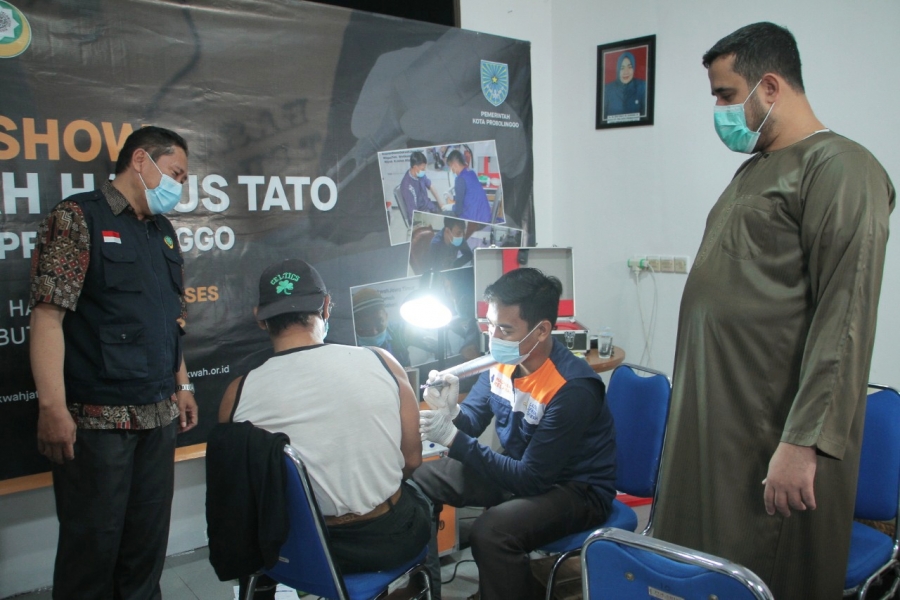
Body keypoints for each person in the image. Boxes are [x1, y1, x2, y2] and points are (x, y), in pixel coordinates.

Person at [651, 22, 894, 600]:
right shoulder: (756, 169)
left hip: (775, 434)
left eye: (726, 95)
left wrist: (804, 442)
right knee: (707, 574)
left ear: (770, 86)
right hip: (717, 423)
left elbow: (847, 314)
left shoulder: (841, 167)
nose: (718, 110)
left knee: (768, 573)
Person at [29, 125, 199, 599]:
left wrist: (183, 384)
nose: (180, 187)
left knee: (146, 551)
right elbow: (47, 318)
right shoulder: (78, 217)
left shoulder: (163, 233)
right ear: (141, 161)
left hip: (158, 417)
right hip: (97, 423)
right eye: (176, 173)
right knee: (92, 553)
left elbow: (169, 320)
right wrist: (52, 408)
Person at [218, 259, 431, 583]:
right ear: (327, 307)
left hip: (293, 550)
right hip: (383, 540)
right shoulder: (381, 361)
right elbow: (412, 460)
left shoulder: (237, 393)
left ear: (260, 320)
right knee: (425, 501)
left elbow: (243, 494)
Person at [414, 268, 617, 600]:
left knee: (492, 532)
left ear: (541, 331)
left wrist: (451, 436)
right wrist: (450, 413)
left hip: (576, 489)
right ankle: (428, 590)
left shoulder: (572, 388)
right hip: (523, 470)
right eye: (490, 325)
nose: (493, 338)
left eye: (505, 329)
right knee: (418, 474)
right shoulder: (503, 361)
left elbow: (531, 480)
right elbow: (472, 422)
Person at [446, 150, 492, 224]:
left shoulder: (460, 179)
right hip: (486, 216)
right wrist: (454, 200)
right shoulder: (471, 173)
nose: (452, 171)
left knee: (446, 214)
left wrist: (450, 207)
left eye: (451, 167)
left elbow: (458, 210)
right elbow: (469, 194)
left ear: (454, 165)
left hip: (474, 219)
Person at [400, 150, 443, 217]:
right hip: (421, 213)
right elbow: (413, 212)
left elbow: (430, 185)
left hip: (428, 205)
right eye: (423, 169)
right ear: (415, 167)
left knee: (446, 211)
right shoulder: (407, 186)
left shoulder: (420, 174)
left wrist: (440, 203)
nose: (424, 171)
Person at [604, 51, 647, 118]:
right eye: (622, 68)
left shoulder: (642, 87)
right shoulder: (607, 90)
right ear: (618, 70)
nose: (626, 72)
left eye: (629, 67)